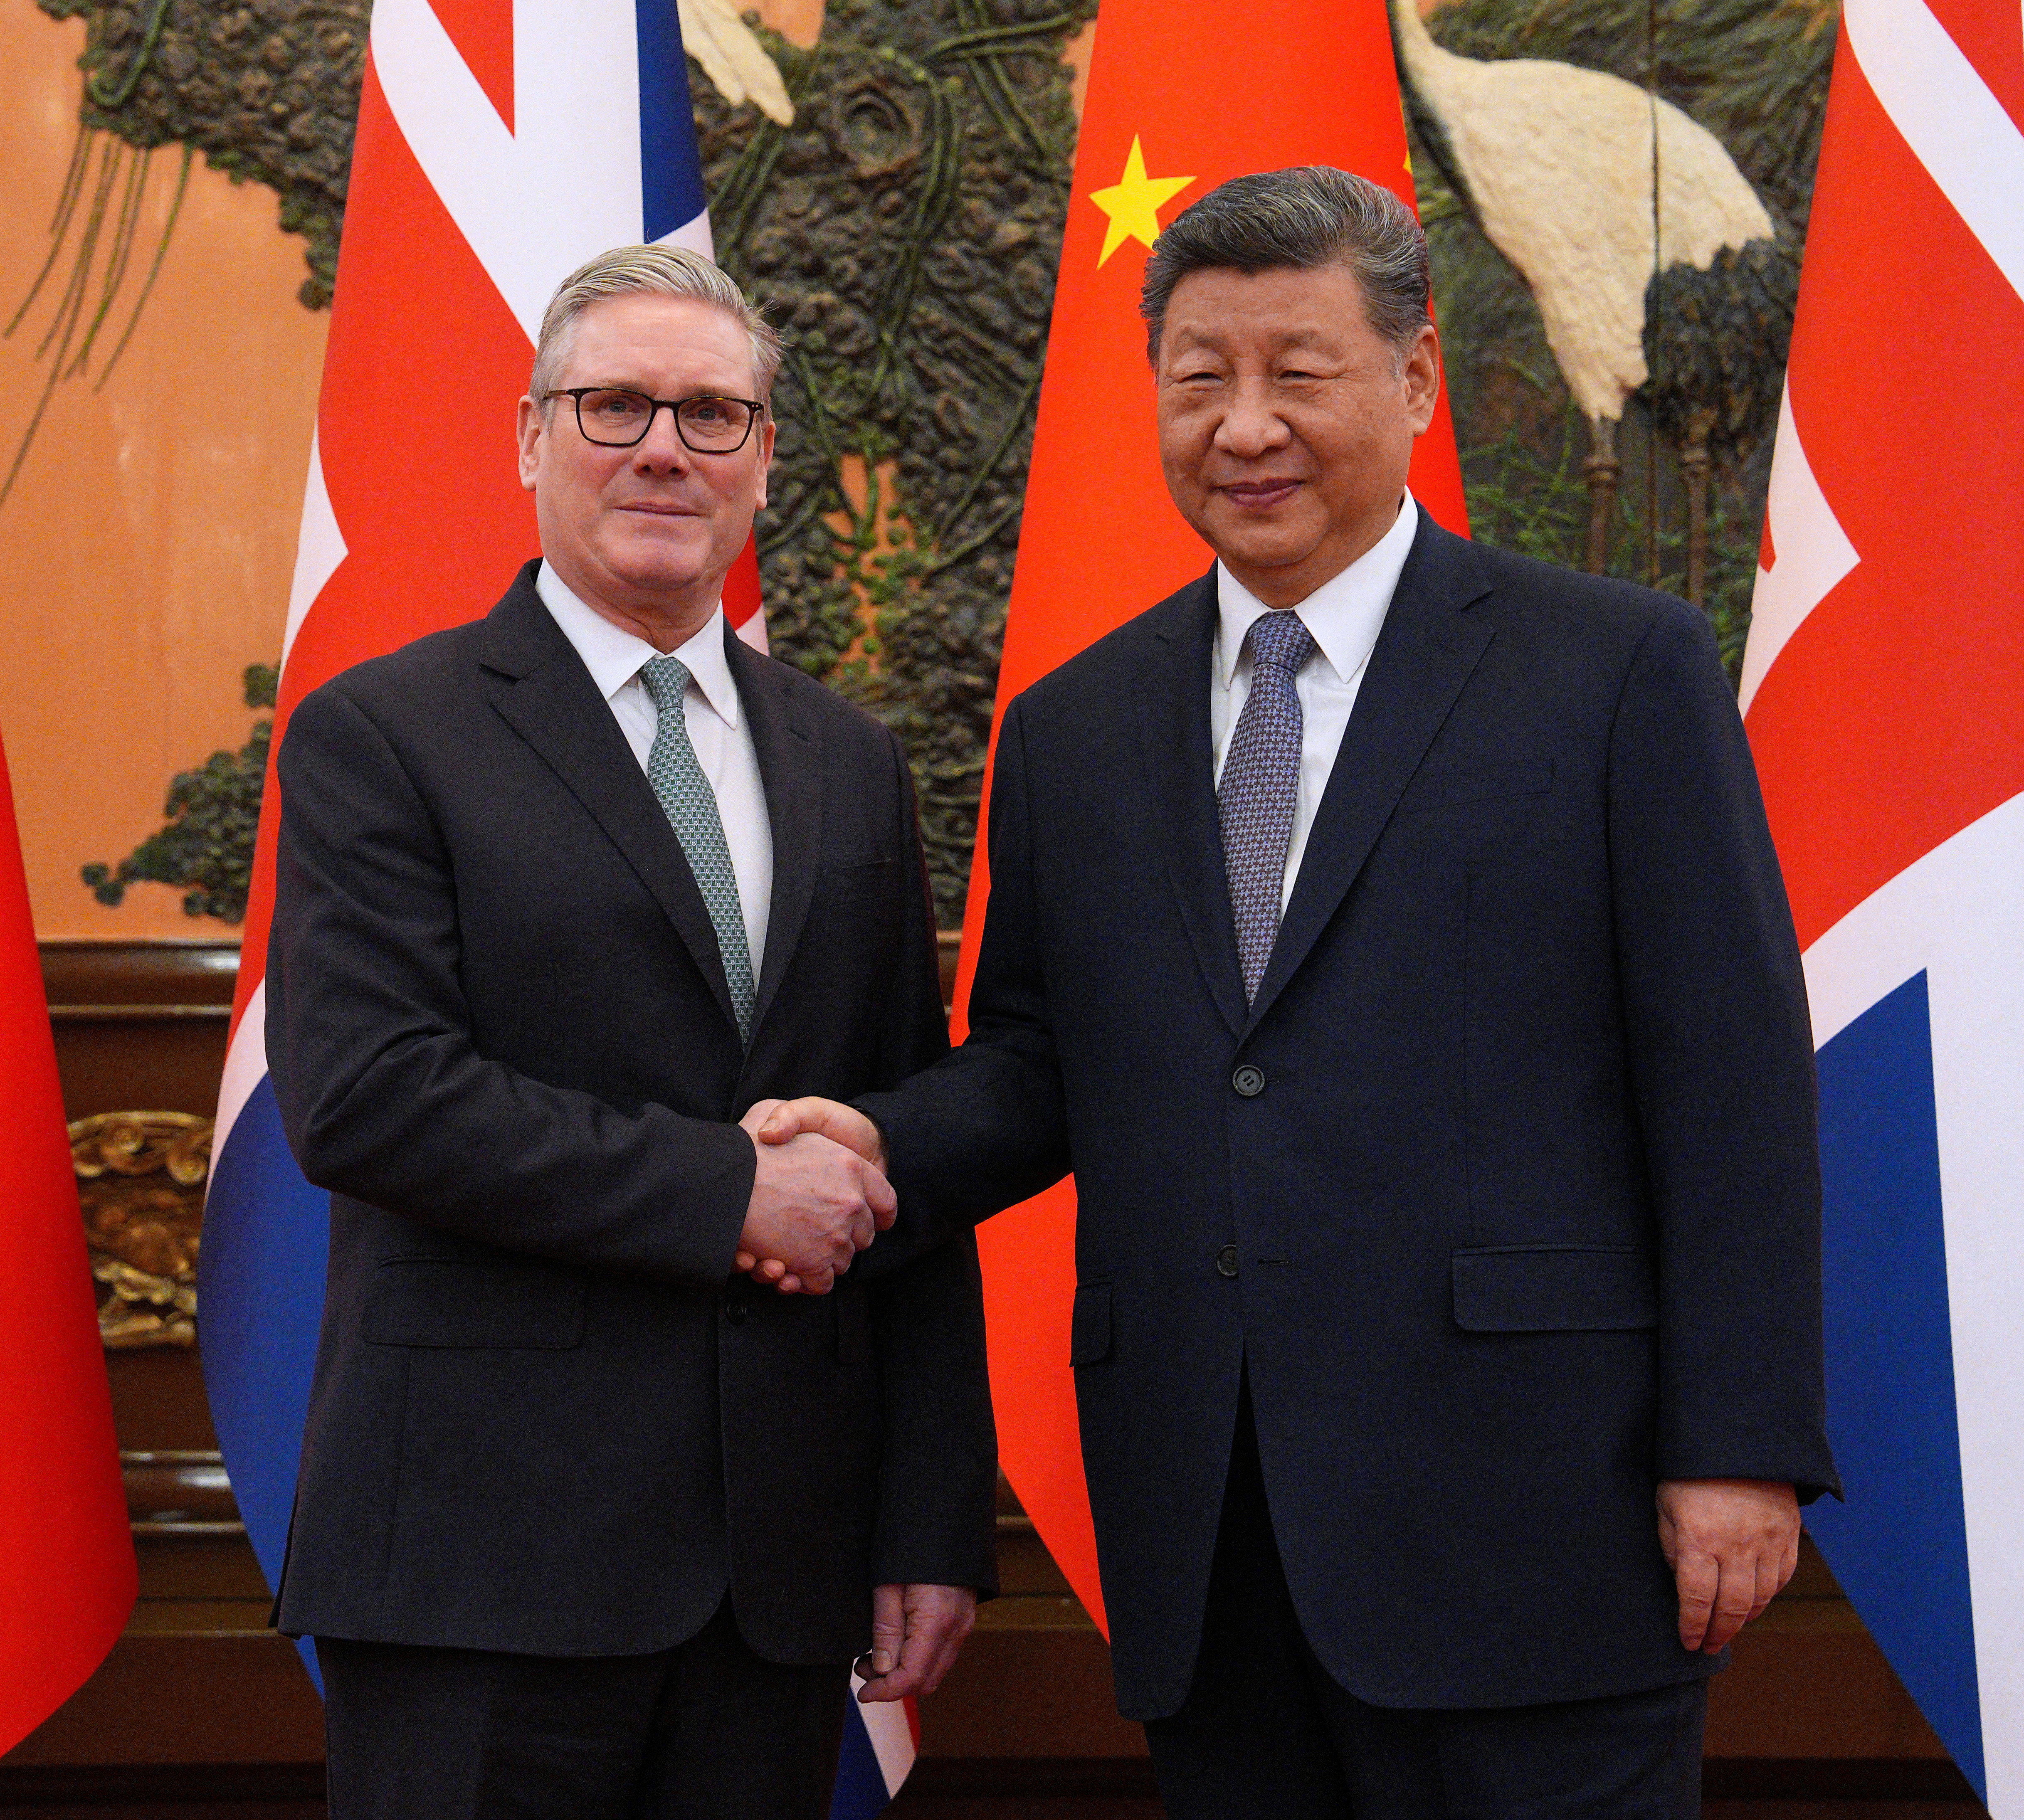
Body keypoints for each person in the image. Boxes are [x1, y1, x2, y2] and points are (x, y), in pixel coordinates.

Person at [759, 168, 1840, 1819]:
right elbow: (1049, 1059)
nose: (1244, 425)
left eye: (1299, 373)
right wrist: (874, 1151)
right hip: (1213, 1532)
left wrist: (1738, 1444)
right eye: (1201, 379)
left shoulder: (1613, 672)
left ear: (1412, 382)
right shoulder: (1078, 726)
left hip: (1543, 1522)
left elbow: (1730, 1080)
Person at [263, 244, 993, 1820]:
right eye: (614, 406)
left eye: (712, 415)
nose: (665, 447)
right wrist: (727, 1191)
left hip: (776, 1573)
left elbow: (899, 1128)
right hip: (481, 1563)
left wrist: (932, 1518)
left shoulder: (845, 761)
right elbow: (370, 1098)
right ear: (530, 438)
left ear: (763, 461)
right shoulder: (384, 734)